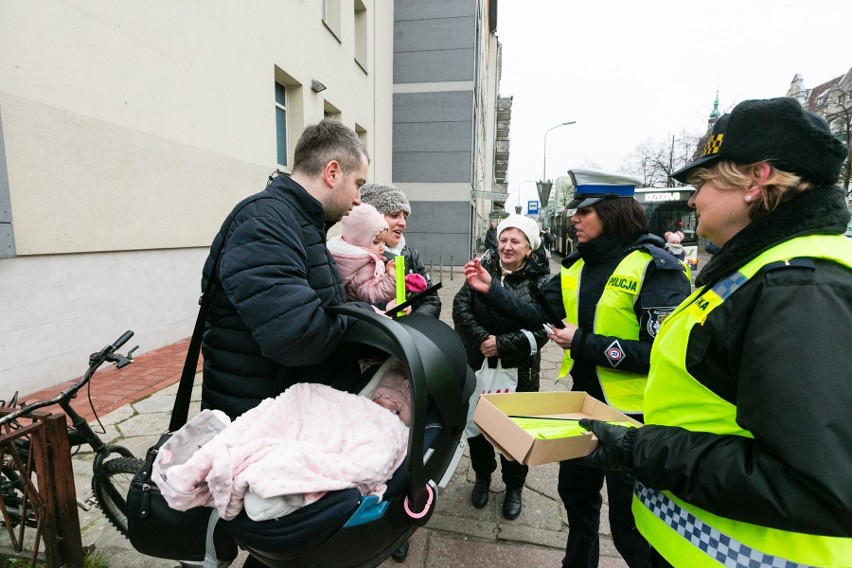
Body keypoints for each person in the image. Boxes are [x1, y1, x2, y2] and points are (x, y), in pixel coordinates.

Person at [573, 97, 852, 568]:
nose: (692, 198)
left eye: (703, 183)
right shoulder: (763, 269)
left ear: (756, 179)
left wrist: (638, 448)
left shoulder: (800, 284)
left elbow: (814, 484)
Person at [462, 170, 692, 568]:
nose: (575, 219)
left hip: (633, 422)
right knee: (578, 505)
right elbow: (536, 313)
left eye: (584, 211)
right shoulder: (577, 267)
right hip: (581, 411)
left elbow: (663, 353)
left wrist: (584, 343)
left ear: (612, 212)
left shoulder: (657, 269)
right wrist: (492, 289)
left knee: (630, 528)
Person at [200, 117, 370, 421]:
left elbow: (317, 305)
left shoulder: (300, 222)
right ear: (332, 172)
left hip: (281, 412)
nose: (358, 200)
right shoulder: (265, 223)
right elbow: (296, 338)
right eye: (358, 184)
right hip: (257, 424)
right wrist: (365, 321)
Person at [452, 214, 551, 520]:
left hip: (518, 373)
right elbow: (460, 306)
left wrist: (502, 344)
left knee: (512, 435)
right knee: (478, 429)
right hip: (478, 365)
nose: (507, 247)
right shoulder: (484, 270)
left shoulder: (541, 282)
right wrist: (482, 338)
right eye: (504, 239)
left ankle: (514, 487)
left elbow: (543, 328)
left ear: (529, 249)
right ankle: (482, 478)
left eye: (515, 241)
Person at [359, 182, 441, 318]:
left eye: (405, 216)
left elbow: (432, 300)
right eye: (395, 215)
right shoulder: (354, 259)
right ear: (373, 218)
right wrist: (387, 311)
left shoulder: (411, 255)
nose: (403, 223)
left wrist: (411, 320)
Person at [327, 203, 398, 304]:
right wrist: (391, 280)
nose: (382, 247)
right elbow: (372, 296)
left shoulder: (344, 255)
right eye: (376, 242)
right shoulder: (364, 266)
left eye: (384, 242)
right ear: (359, 239)